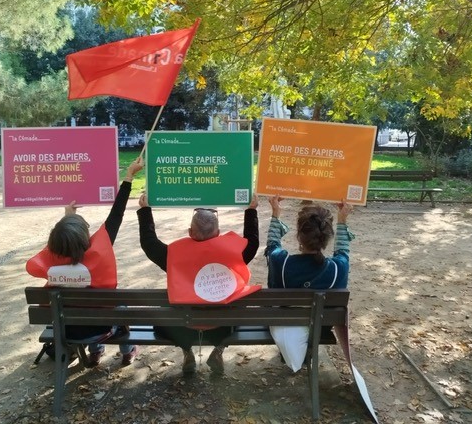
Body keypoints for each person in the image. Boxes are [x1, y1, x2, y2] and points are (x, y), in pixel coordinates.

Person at [26, 157, 144, 368]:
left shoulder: (50, 260)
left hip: (67, 331)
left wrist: (66, 218)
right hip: (101, 329)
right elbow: (116, 214)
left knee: (80, 307)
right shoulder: (98, 253)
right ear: (85, 237)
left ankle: (95, 352)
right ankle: (128, 351)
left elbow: (56, 245)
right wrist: (128, 177)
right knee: (118, 304)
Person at [137, 195, 259, 376]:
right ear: (218, 233)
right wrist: (251, 211)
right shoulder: (234, 254)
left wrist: (145, 210)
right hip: (221, 327)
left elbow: (149, 243)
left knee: (162, 318)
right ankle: (218, 350)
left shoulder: (172, 256)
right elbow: (253, 242)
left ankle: (187, 352)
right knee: (240, 308)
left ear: (190, 232)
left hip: (183, 328)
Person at [265, 195, 354, 290]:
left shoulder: (281, 263)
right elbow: (342, 252)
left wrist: (275, 212)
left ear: (299, 237)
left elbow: (272, 245)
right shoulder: (338, 269)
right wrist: (342, 220)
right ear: (326, 237)